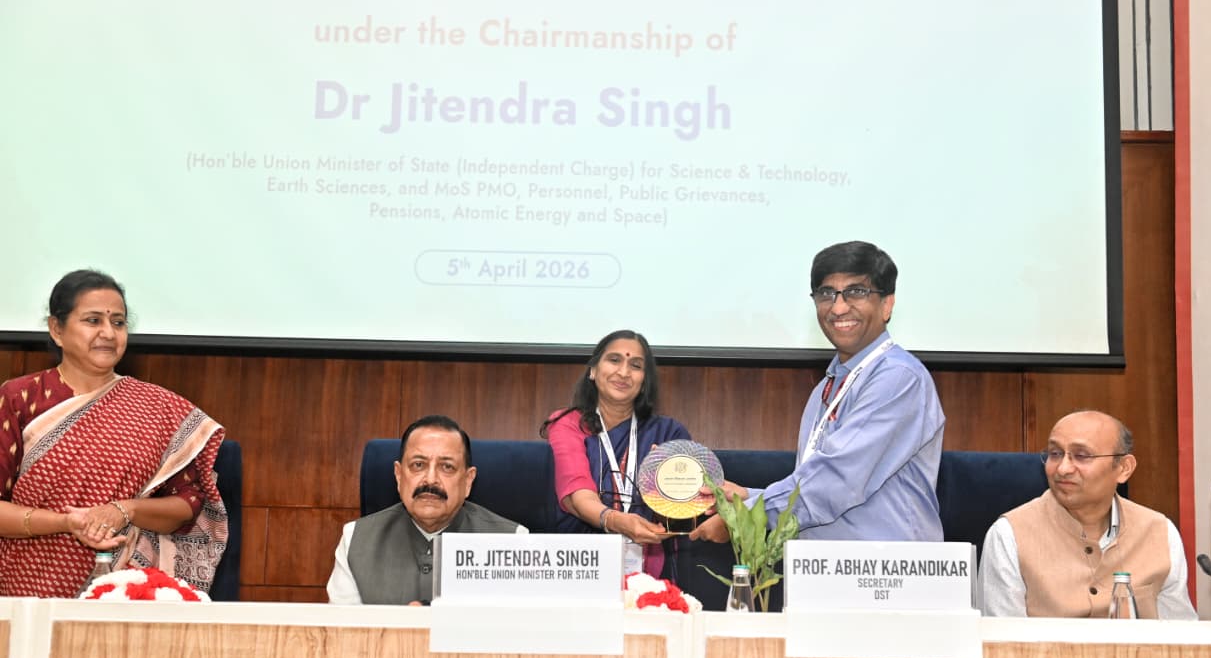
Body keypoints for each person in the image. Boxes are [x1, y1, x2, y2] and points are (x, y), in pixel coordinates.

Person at [692, 241, 945, 543]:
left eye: (856, 291)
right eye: (826, 293)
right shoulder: (826, 388)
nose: (838, 307)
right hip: (829, 571)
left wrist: (746, 516)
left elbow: (837, 481)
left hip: (891, 575)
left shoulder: (898, 378)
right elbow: (821, 489)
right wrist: (748, 496)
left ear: (887, 305)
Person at [0, 270, 228, 597]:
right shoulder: (20, 398)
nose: (108, 333)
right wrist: (66, 523)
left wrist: (127, 510)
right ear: (57, 329)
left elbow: (189, 506)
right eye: (93, 320)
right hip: (28, 587)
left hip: (125, 589)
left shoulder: (159, 408)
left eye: (118, 323)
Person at [978, 410, 1197, 619]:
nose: (1063, 469)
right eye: (1055, 454)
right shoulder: (1009, 535)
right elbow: (1003, 644)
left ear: (1123, 468)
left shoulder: (1160, 532)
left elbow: (1182, 638)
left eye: (1081, 456)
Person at [327, 414, 525, 605]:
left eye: (447, 467)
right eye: (418, 465)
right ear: (398, 475)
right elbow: (344, 632)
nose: (430, 479)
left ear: (467, 481)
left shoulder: (513, 542)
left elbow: (519, 632)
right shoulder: (356, 539)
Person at [541, 330, 691, 579]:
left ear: (644, 381)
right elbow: (576, 495)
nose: (623, 372)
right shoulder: (568, 424)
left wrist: (663, 487)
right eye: (614, 360)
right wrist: (616, 521)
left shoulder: (669, 433)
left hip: (651, 571)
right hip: (581, 566)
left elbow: (685, 514)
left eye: (635, 365)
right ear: (593, 370)